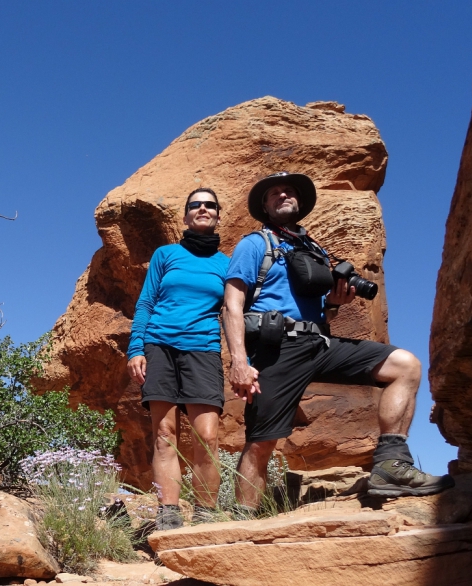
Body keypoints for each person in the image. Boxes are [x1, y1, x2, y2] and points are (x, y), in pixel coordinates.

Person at [222, 172, 453, 515]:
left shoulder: (313, 249)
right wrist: (239, 361)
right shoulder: (255, 244)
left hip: (319, 342)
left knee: (405, 365)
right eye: (274, 193)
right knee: (261, 442)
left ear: (299, 201)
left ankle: (391, 464)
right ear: (265, 206)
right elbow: (232, 304)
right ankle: (240, 523)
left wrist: (334, 304)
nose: (283, 195)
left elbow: (322, 315)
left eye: (289, 191)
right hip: (278, 348)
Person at [127, 187, 231, 531]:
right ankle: (168, 515)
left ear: (218, 215)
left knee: (207, 436)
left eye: (210, 205)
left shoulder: (227, 264)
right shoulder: (166, 254)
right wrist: (136, 348)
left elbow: (236, 311)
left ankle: (205, 516)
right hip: (159, 345)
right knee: (164, 433)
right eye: (195, 205)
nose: (203, 209)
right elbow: (145, 303)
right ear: (186, 216)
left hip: (203, 348)